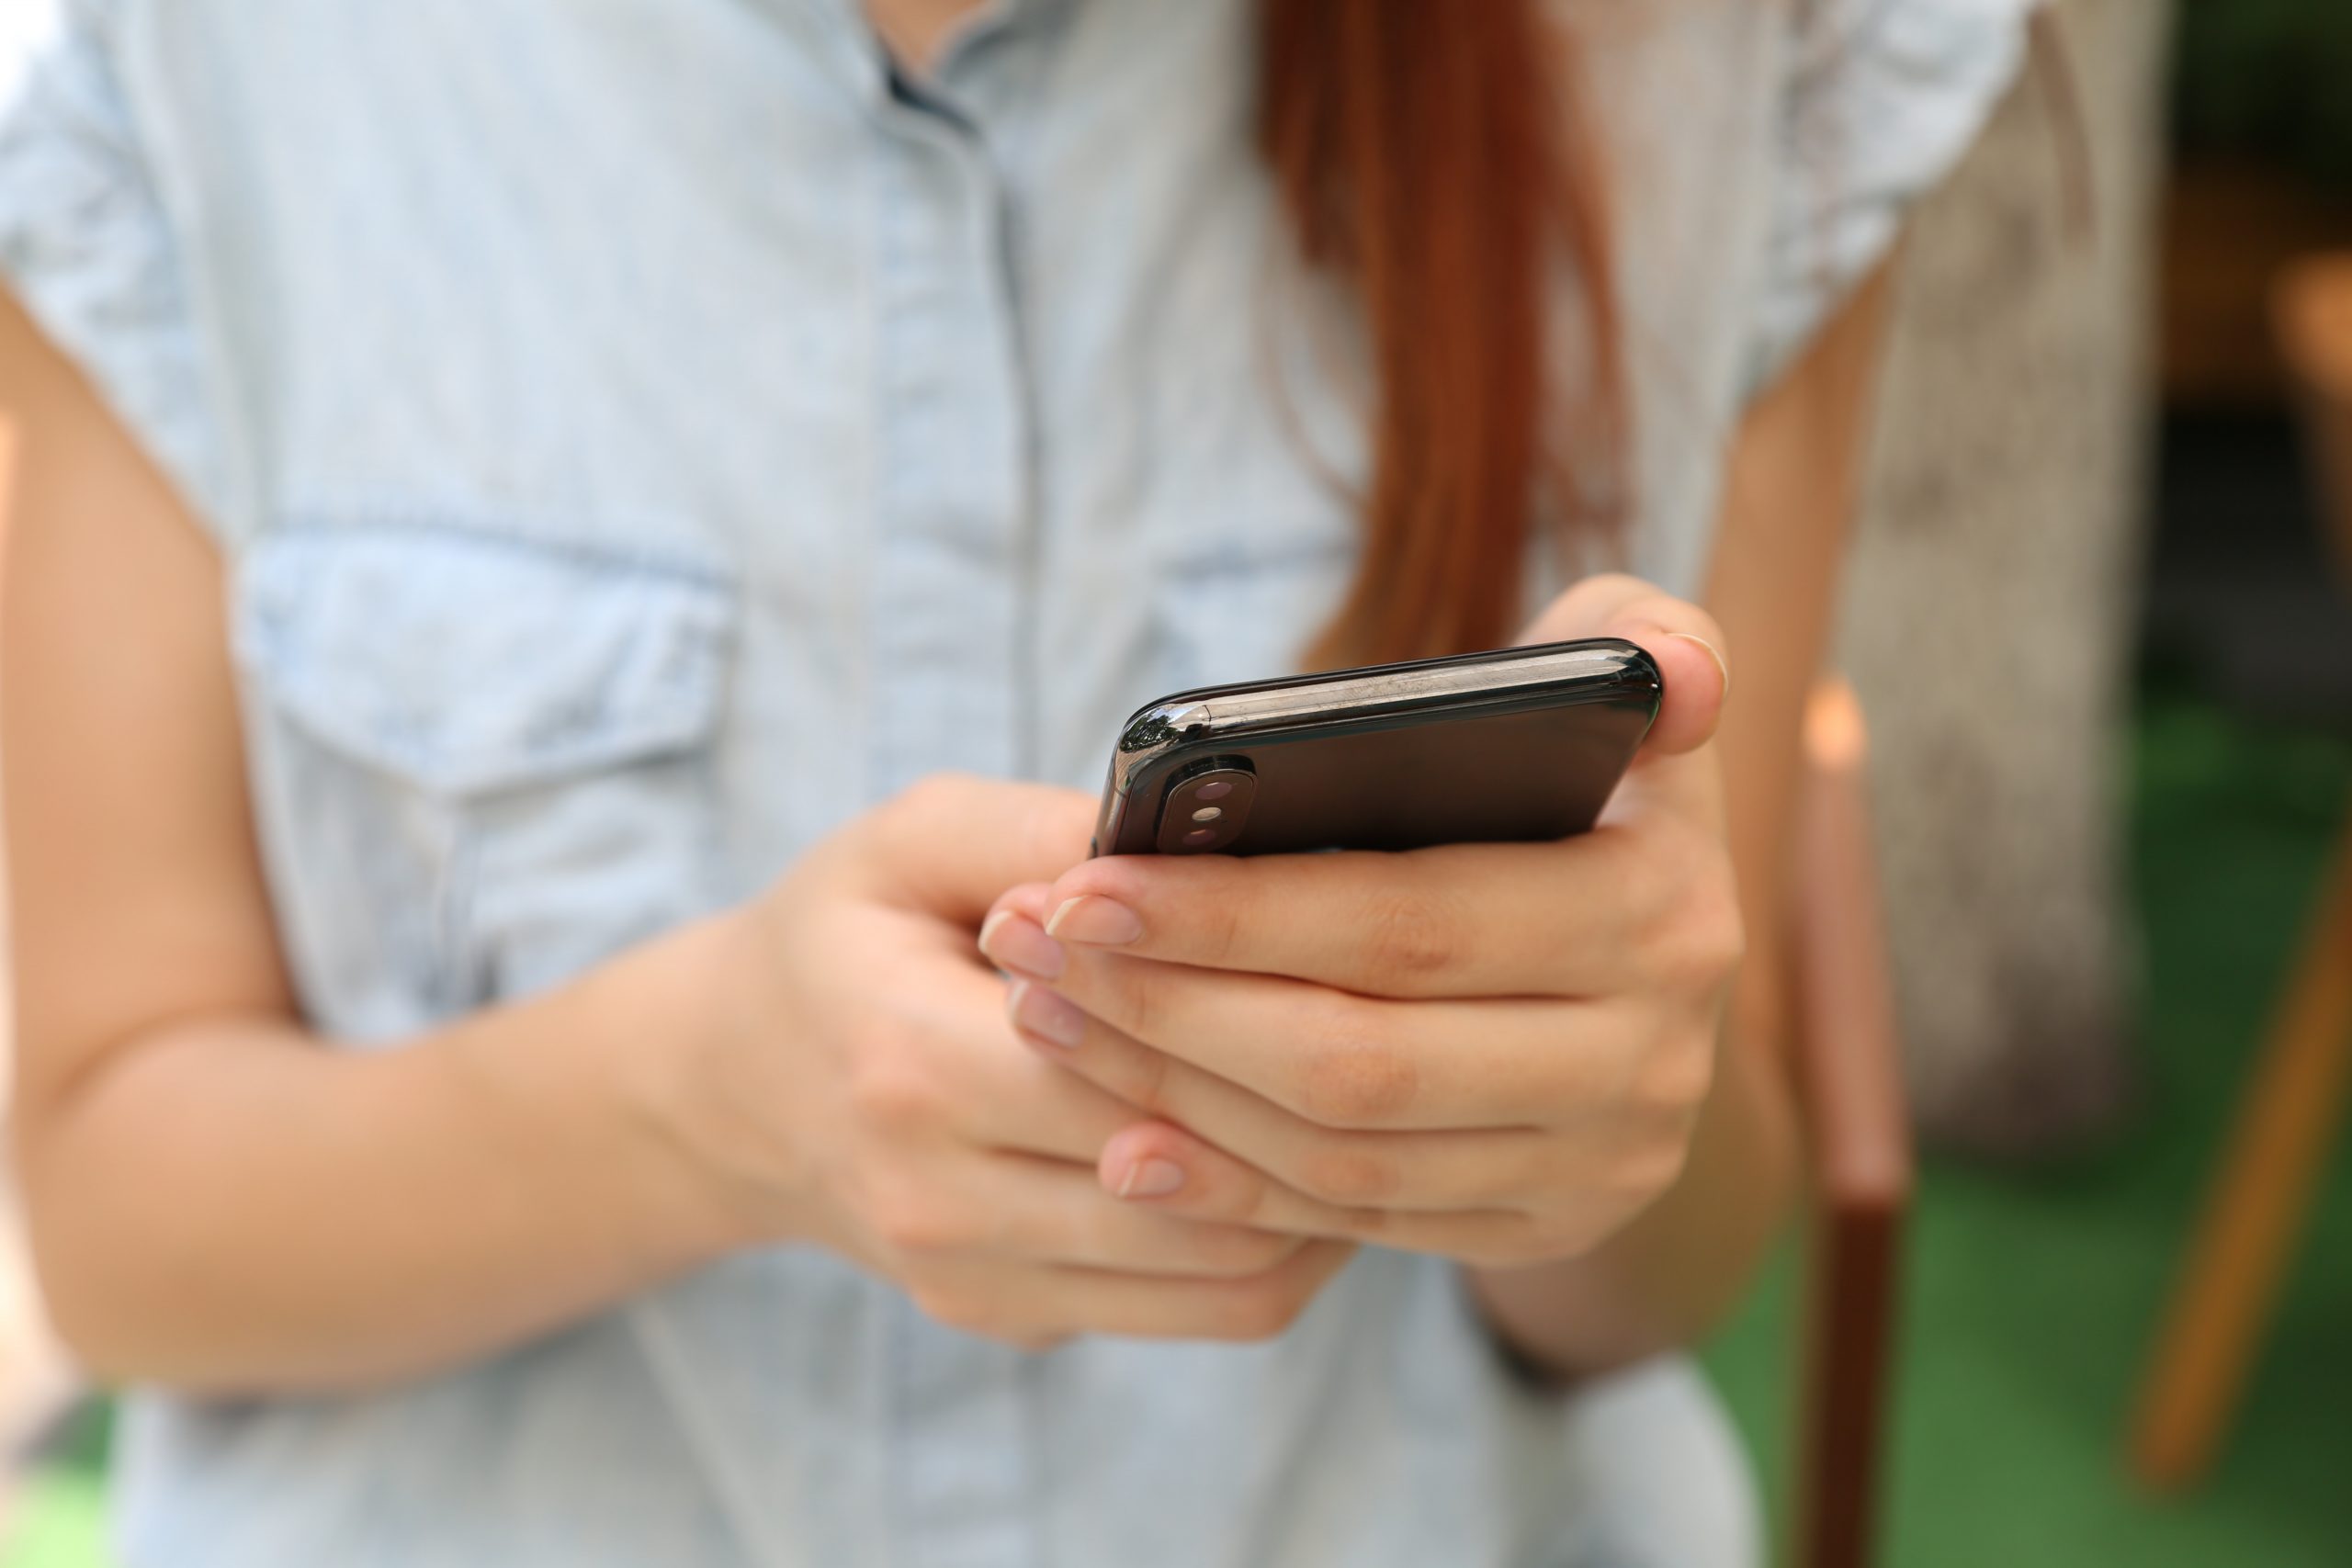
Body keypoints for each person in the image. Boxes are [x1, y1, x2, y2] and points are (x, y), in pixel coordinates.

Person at [0, 1, 2029, 1562]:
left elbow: (1673, 1259)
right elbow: (116, 1226)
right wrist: (699, 1099)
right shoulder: (191, 69)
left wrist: (1590, 1108)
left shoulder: (1725, 51)